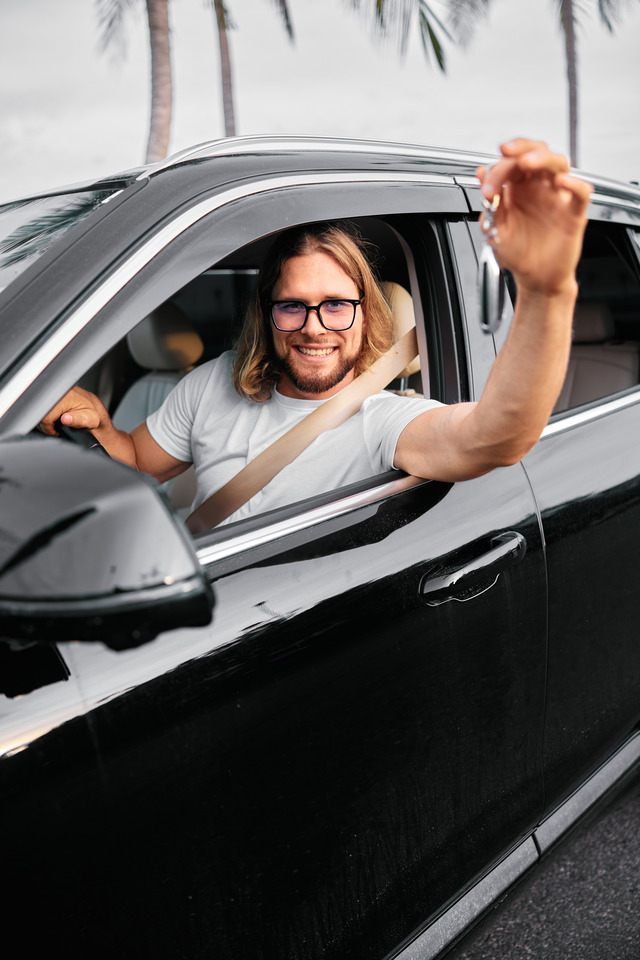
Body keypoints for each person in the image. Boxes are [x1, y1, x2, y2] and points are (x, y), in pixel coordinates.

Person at [41, 138, 593, 527]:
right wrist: (99, 423)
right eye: (293, 308)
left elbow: (494, 437)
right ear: (267, 313)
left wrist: (548, 292)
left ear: (364, 311)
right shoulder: (214, 384)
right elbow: (135, 464)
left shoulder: (384, 421)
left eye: (335, 306)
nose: (313, 329)